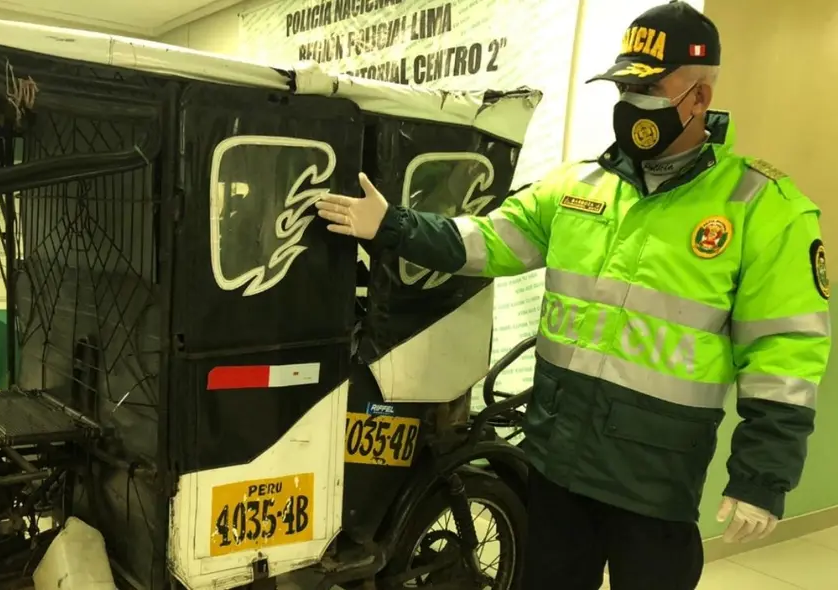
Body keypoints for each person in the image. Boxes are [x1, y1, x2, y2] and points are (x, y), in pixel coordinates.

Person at [315, 2, 831, 589]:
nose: (632, 104)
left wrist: (761, 477)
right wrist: (394, 226)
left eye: (649, 89)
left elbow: (784, 354)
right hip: (557, 464)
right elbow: (488, 242)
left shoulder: (762, 207)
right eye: (624, 87)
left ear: (699, 98)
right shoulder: (577, 185)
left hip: (653, 482)